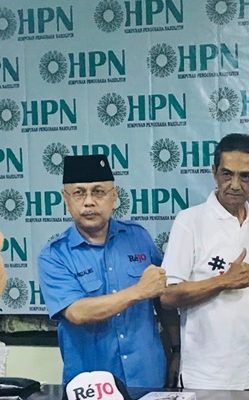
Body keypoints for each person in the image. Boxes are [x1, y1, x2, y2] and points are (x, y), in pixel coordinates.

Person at [38, 155, 178, 387]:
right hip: (91, 386)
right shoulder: (54, 255)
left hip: (148, 377)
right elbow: (77, 312)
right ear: (66, 199)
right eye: (79, 193)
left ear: (114, 197)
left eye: (99, 192)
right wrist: (139, 291)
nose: (89, 202)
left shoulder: (138, 237)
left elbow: (163, 299)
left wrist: (177, 349)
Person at [160, 133, 249, 390]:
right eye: (227, 174)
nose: (235, 185)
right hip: (206, 376)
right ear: (214, 172)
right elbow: (168, 296)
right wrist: (223, 281)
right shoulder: (190, 221)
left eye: (245, 176)